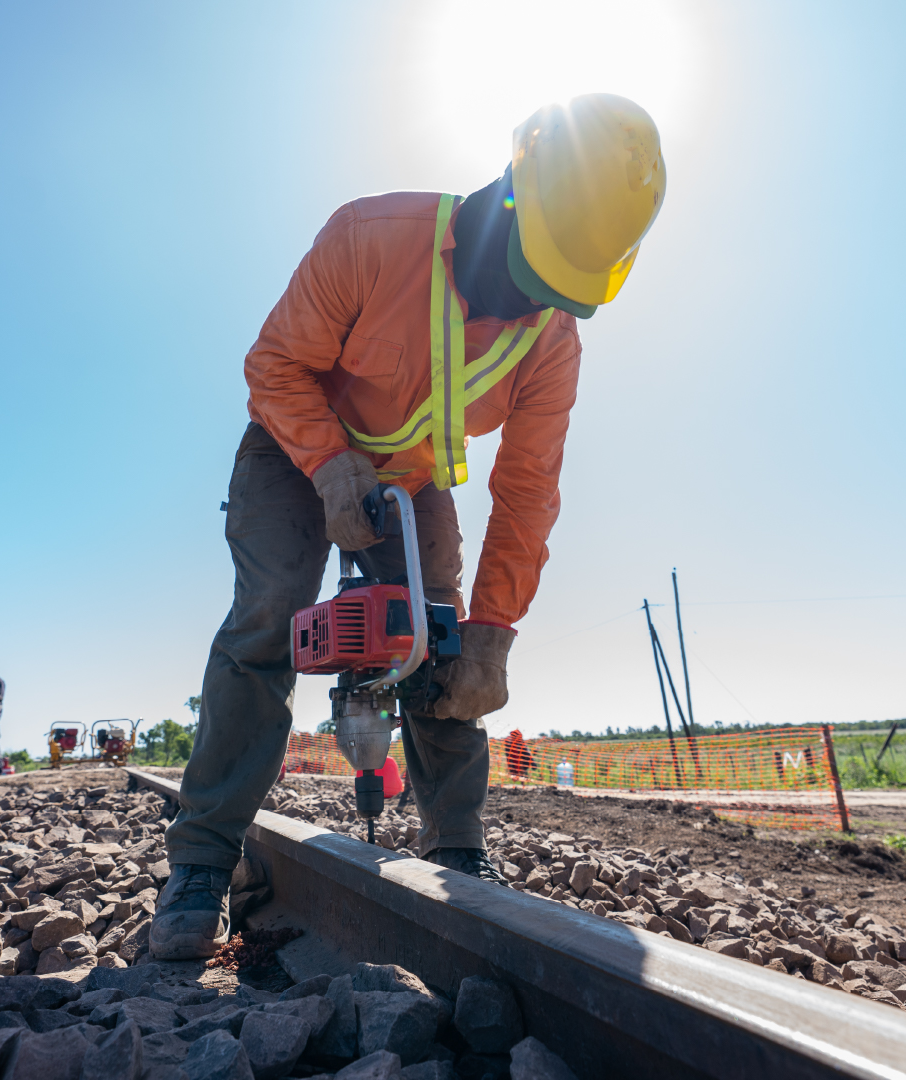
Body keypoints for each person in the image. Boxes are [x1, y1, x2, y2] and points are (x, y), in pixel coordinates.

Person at [155, 95, 667, 961]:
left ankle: (457, 850)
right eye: (535, 273)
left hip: (409, 477)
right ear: (510, 191)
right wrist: (328, 464)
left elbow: (529, 488)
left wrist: (494, 633)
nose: (538, 301)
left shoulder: (553, 342)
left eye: (561, 290)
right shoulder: (371, 238)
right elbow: (274, 366)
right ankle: (203, 858)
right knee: (272, 609)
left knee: (441, 637)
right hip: (294, 446)